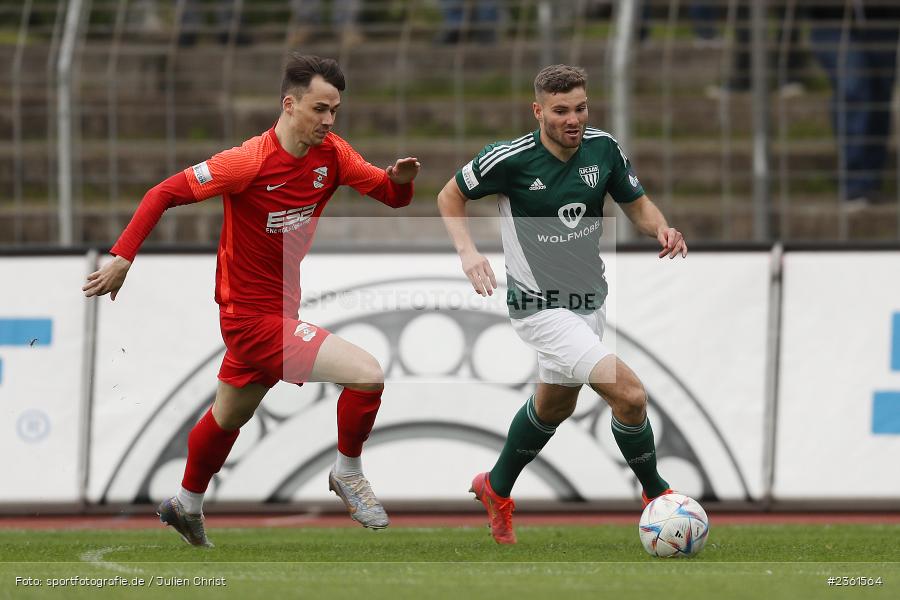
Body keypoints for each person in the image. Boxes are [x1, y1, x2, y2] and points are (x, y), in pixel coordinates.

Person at [82, 54, 420, 547]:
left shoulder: (335, 156)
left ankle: (186, 503)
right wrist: (122, 257)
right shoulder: (247, 161)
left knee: (229, 416)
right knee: (367, 373)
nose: (328, 120)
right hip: (247, 318)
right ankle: (348, 471)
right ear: (290, 104)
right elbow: (162, 193)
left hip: (280, 313)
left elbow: (391, 196)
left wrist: (403, 181)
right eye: (320, 109)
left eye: (335, 111)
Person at [437, 64, 686, 544]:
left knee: (552, 407)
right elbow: (449, 196)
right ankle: (659, 496)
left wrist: (661, 227)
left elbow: (637, 204)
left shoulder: (603, 148)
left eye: (581, 108)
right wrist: (469, 253)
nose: (574, 119)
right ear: (538, 112)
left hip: (588, 302)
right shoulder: (508, 159)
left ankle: (496, 486)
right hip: (538, 307)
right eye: (561, 111)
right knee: (630, 395)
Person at [807, 3, 900, 207]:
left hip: (882, 20)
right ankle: (854, 183)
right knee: (854, 87)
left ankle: (870, 181)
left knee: (879, 95)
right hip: (831, 21)